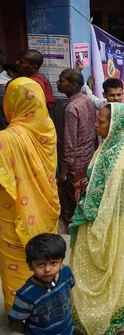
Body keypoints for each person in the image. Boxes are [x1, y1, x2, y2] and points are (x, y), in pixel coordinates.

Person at [70, 103, 124, 335]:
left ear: (116, 126)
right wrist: (87, 183)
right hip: (118, 221)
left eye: (101, 121)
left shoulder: (116, 158)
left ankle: (116, 318)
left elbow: (103, 198)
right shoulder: (113, 147)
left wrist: (85, 208)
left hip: (106, 223)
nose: (96, 124)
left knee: (107, 267)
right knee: (122, 266)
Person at [0, 78, 60, 312]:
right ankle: (48, 304)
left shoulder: (5, 139)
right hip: (44, 207)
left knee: (17, 259)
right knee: (46, 257)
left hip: (12, 213)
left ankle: (19, 311)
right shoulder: (47, 130)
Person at [8, 234, 74, 335]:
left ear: (61, 262)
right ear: (30, 266)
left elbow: (71, 287)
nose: (47, 270)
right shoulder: (26, 295)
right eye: (41, 264)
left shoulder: (66, 273)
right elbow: (15, 320)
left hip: (67, 330)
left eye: (53, 263)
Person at [55, 69, 97, 225]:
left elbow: (69, 144)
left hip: (75, 165)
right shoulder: (86, 100)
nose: (58, 82)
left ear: (72, 85)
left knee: (74, 205)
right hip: (88, 159)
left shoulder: (71, 108)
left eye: (61, 80)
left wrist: (63, 172)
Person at [16, 50, 56, 119]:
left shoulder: (33, 83)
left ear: (34, 67)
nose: (17, 63)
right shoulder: (43, 80)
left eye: (22, 62)